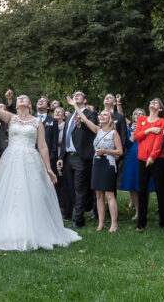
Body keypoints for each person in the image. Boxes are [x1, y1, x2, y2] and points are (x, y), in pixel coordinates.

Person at [0, 81, 81, 251]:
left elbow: (43, 146)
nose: (22, 98)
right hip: (11, 159)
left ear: (29, 104)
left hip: (31, 159)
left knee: (32, 193)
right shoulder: (12, 118)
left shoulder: (37, 122)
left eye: (25, 98)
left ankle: (34, 229)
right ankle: (9, 229)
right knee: (10, 193)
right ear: (16, 104)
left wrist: (48, 168)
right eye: (19, 98)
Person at [68, 96, 124, 232]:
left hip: (108, 164)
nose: (102, 116)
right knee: (98, 195)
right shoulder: (97, 130)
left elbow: (120, 151)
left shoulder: (114, 133)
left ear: (110, 118)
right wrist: (75, 106)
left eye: (105, 114)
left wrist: (105, 150)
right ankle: (101, 223)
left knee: (109, 195)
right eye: (101, 114)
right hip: (97, 164)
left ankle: (114, 224)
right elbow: (85, 119)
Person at [63, 90, 99, 228]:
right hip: (67, 156)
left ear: (85, 100)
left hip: (81, 156)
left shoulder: (91, 114)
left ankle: (78, 220)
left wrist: (80, 124)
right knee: (70, 188)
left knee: (80, 189)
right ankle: (72, 215)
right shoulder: (70, 116)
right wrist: (61, 157)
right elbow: (66, 137)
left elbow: (92, 130)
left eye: (79, 95)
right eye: (74, 95)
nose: (75, 96)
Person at [133, 101, 164, 231]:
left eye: (156, 102)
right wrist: (149, 130)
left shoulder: (162, 122)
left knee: (161, 191)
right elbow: (137, 136)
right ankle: (141, 223)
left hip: (157, 160)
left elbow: (159, 142)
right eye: (151, 101)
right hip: (142, 159)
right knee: (142, 191)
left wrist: (152, 157)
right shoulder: (141, 119)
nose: (152, 103)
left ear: (160, 109)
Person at [120, 107, 147, 221]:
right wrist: (133, 134)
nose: (138, 115)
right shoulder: (129, 129)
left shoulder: (148, 128)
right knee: (132, 186)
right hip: (132, 158)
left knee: (144, 186)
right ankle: (137, 211)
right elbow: (127, 145)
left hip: (144, 157)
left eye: (141, 114)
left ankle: (144, 211)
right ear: (133, 117)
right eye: (136, 114)